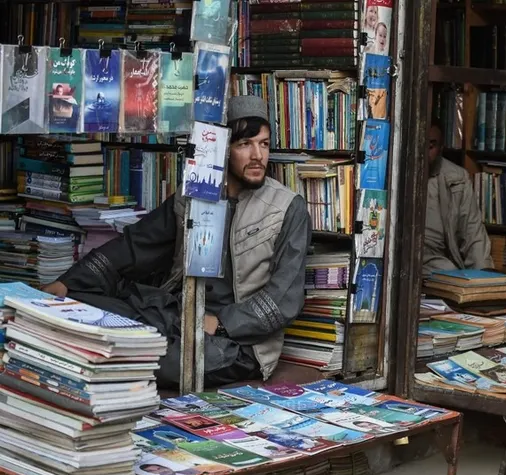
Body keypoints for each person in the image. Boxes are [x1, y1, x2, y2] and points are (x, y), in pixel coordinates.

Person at [41, 95, 311, 390]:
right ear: (223, 149)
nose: (257, 155)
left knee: (163, 358)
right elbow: (137, 244)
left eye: (264, 144)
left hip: (237, 344)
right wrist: (69, 283)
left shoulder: (287, 207)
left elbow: (284, 298)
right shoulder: (194, 193)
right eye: (244, 144)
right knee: (78, 311)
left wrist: (220, 323)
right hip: (176, 316)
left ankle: (138, 347)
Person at [422, 119, 493, 276]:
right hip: (410, 258)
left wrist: (483, 280)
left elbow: (472, 232)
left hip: (440, 262)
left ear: (440, 149)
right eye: (420, 143)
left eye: (431, 146)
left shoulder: (456, 178)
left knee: (448, 270)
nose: (424, 151)